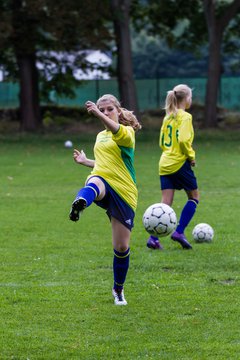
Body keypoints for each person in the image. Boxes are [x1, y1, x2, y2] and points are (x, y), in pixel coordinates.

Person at [69, 94, 141, 305]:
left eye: (110, 109)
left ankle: (118, 289)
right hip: (103, 181)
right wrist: (85, 161)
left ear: (118, 111)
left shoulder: (127, 133)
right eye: (103, 109)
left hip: (124, 191)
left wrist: (98, 113)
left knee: (121, 247)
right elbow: (103, 164)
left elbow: (115, 130)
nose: (106, 112)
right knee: (95, 183)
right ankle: (80, 203)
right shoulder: (100, 136)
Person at [147, 84, 199, 250]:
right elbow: (183, 140)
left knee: (166, 202)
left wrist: (169, 153)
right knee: (194, 197)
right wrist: (190, 156)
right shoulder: (185, 116)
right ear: (187, 99)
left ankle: (153, 238)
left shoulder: (168, 116)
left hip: (164, 162)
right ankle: (179, 232)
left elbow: (162, 142)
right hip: (179, 162)